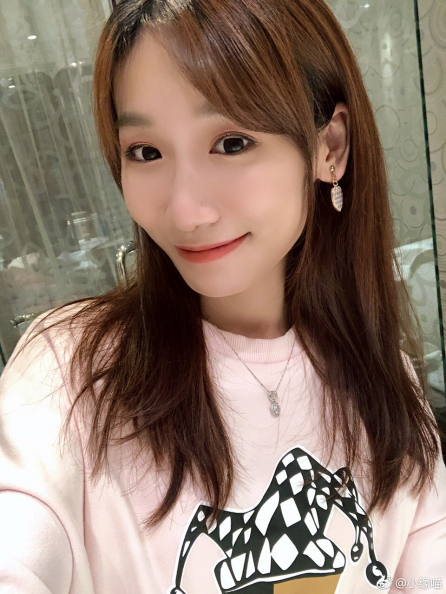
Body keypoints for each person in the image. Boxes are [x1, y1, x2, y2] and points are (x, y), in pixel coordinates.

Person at [0, 0, 445, 592]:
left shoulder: (386, 382)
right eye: (146, 152)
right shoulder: (71, 374)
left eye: (232, 143)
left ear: (329, 148)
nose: (185, 211)